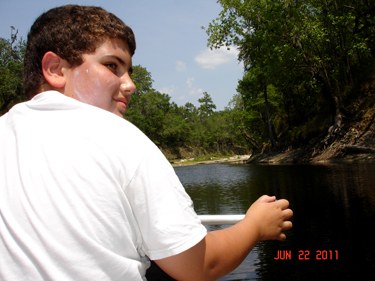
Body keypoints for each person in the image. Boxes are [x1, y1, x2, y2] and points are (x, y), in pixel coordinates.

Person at [0, 5, 293, 281]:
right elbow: (200, 265)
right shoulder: (120, 137)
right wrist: (255, 226)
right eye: (112, 65)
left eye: (128, 71)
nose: (130, 85)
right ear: (55, 69)